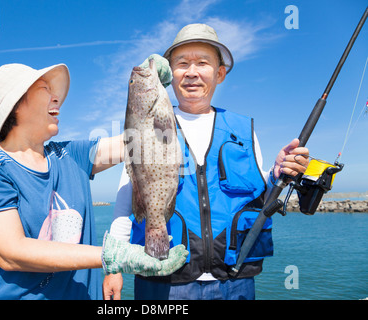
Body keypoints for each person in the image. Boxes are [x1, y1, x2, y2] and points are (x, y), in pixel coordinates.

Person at [103, 23, 309, 300]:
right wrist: (113, 265)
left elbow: (258, 191)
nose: (191, 72)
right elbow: (129, 191)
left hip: (235, 279)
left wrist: (277, 172)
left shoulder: (241, 128)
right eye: (182, 63)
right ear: (169, 73)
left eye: (202, 63)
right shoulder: (147, 120)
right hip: (164, 280)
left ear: (220, 73)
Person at [0, 63, 188, 300]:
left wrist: (149, 79)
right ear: (15, 105)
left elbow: (142, 139)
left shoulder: (69, 155)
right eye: (44, 88)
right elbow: (11, 252)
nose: (57, 98)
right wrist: (113, 256)